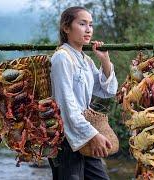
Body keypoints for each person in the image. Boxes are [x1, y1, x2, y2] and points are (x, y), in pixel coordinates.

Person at [48, 6, 118, 180]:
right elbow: (66, 105)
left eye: (91, 25)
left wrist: (105, 60)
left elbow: (107, 90)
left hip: (85, 134)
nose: (88, 30)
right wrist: (93, 135)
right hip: (65, 137)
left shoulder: (86, 60)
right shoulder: (62, 58)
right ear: (66, 28)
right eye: (82, 24)